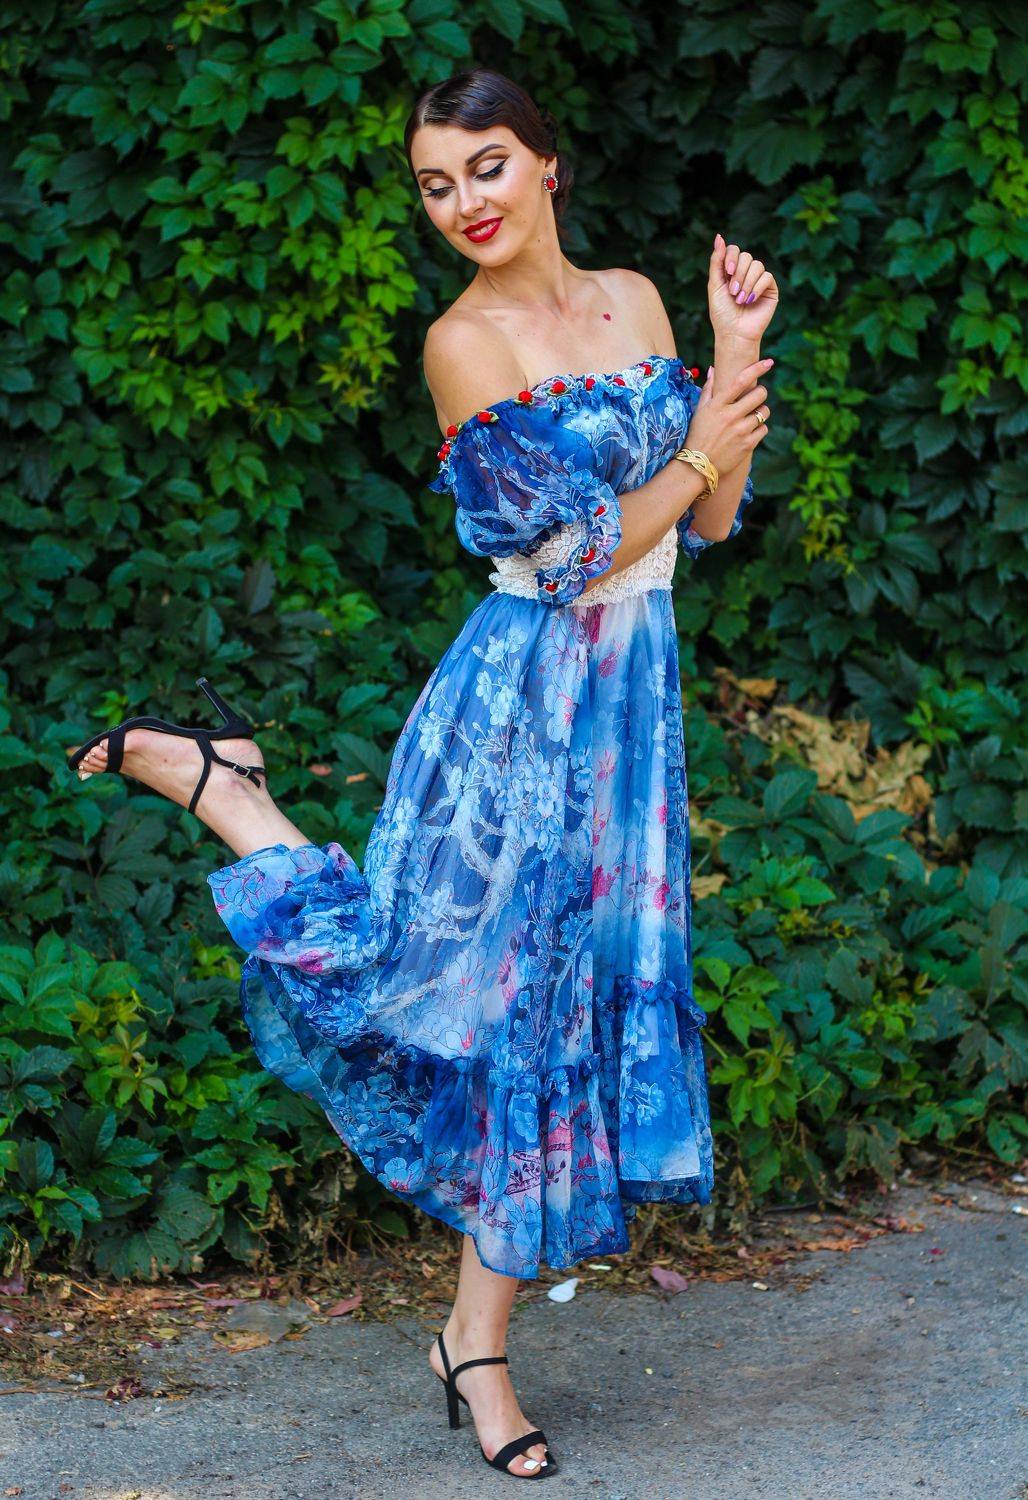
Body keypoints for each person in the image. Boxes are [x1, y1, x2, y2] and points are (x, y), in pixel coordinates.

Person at [67, 65, 776, 1483]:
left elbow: (705, 528)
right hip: (520, 711)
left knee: (563, 1010)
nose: (465, 203)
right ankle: (223, 791)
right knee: (459, 993)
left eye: (487, 166)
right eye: (437, 184)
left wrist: (733, 350)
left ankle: (469, 1341)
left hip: (629, 714)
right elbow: (569, 558)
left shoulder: (640, 301)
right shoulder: (465, 343)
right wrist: (697, 453)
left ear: (548, 165)